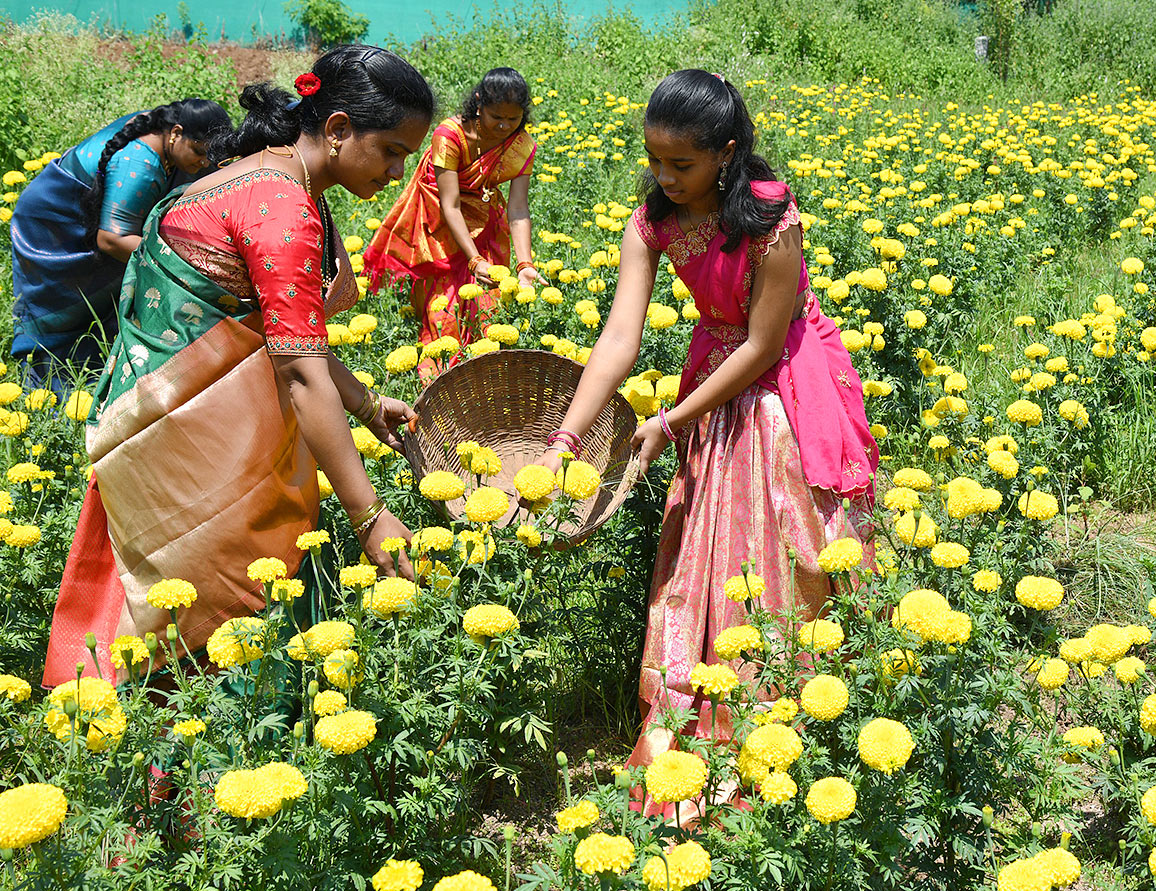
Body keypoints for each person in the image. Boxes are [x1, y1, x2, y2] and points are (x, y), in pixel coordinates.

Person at [43, 45, 435, 687]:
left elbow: (279, 337)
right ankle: (183, 771)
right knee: (203, 622)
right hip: (190, 452)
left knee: (149, 600)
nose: (397, 171)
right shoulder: (285, 208)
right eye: (391, 150)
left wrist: (366, 404)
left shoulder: (257, 175)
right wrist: (369, 516)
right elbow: (298, 368)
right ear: (337, 131)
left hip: (152, 423)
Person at [537, 70, 879, 798]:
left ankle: (805, 708)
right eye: (655, 160)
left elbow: (762, 343)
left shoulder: (771, 215)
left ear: (725, 153)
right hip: (710, 380)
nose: (664, 177)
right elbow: (621, 335)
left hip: (780, 381)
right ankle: (716, 706)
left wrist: (671, 420)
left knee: (787, 538)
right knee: (711, 544)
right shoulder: (654, 219)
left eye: (681, 165)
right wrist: (567, 436)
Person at [10, 100, 230, 388]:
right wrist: (178, 263)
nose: (203, 163)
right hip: (54, 228)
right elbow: (112, 239)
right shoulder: (140, 163)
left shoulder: (161, 128)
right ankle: (40, 384)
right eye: (199, 152)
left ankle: (88, 373)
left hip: (83, 218)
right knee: (57, 312)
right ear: (176, 133)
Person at [363, 66, 543, 381]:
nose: (503, 126)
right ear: (478, 104)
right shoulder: (450, 135)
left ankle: (477, 379)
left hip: (486, 222)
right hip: (440, 220)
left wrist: (525, 264)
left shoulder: (521, 144)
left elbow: (517, 209)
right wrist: (473, 259)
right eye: (495, 116)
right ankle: (438, 382)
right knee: (442, 310)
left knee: (484, 311)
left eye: (512, 119)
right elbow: (451, 204)